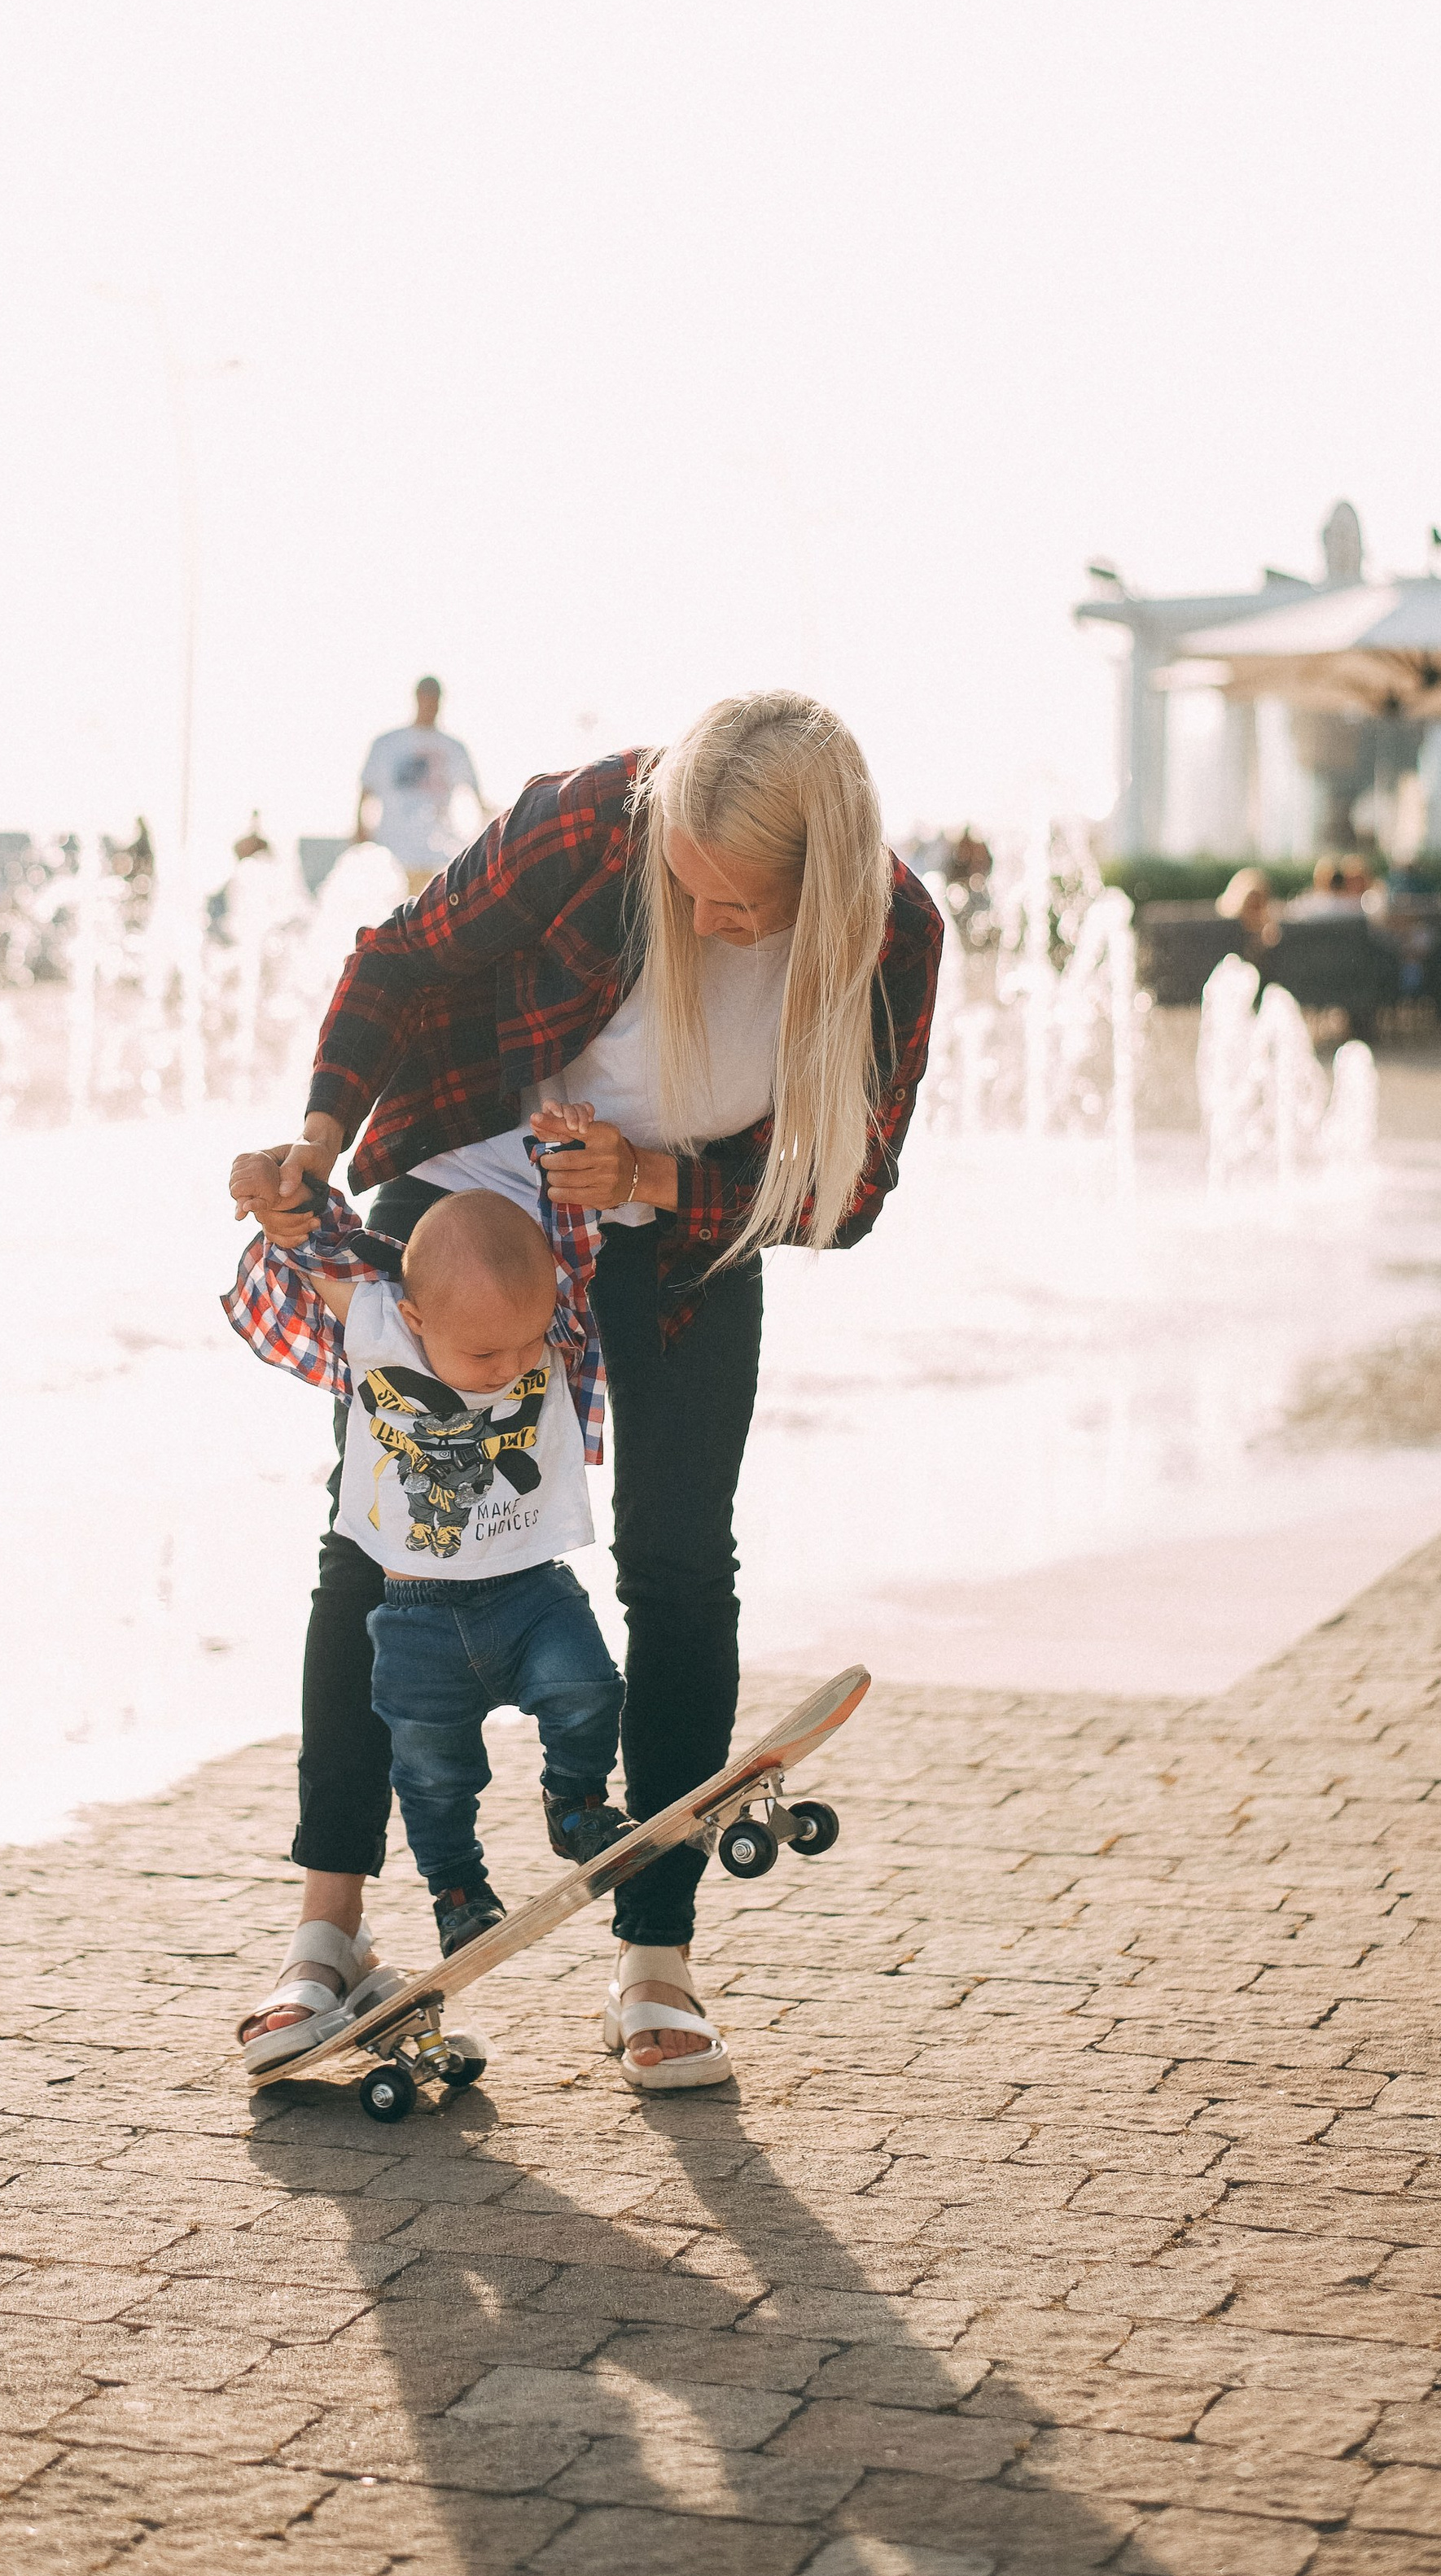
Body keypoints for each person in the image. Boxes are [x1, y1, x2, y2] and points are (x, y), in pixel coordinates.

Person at [227, 690, 943, 2088]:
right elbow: (398, 961)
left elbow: (851, 1193)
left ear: (824, 883)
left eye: (738, 909)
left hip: (686, 1223)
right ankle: (326, 1937)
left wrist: (660, 1180)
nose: (704, 923)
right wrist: (318, 1140)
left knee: (679, 1562)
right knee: (380, 1545)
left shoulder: (895, 935)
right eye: (685, 889)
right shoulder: (597, 824)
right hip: (488, 1181)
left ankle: (657, 1971)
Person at [227, 1166, 633, 2014]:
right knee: (432, 1776)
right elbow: (312, 1263)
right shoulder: (381, 1326)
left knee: (589, 1685)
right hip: (414, 1620)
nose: (512, 1368)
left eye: (526, 1347)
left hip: (531, 1594)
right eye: (486, 1355)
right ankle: (457, 1894)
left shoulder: (538, 1319)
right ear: (415, 1321)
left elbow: (573, 1253)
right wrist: (283, 1201)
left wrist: (565, 1167)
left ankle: (576, 1800)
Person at [357, 677, 485, 894]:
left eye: (435, 700)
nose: (430, 705)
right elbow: (366, 792)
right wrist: (359, 831)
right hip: (394, 849)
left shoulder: (454, 748)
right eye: (426, 698)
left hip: (438, 853)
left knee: (427, 915)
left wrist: (480, 842)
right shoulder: (388, 743)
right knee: (394, 914)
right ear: (417, 698)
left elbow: (476, 798)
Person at [1215, 866, 1281, 952]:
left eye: (1257, 904)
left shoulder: (1267, 927)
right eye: (1251, 904)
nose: (1254, 909)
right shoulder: (1230, 929)